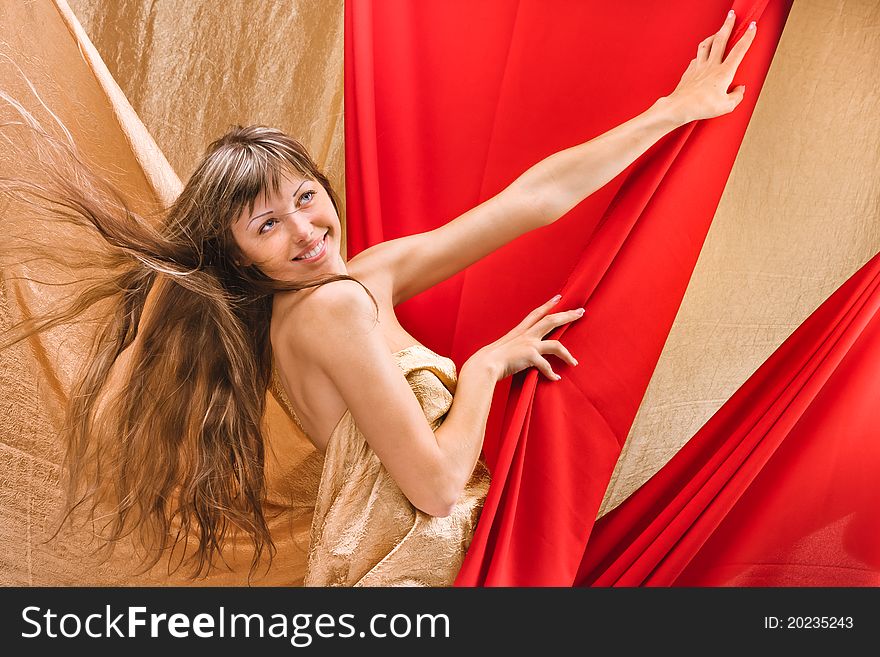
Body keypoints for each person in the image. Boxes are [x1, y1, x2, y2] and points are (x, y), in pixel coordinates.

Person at [0, 12, 755, 585]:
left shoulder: (360, 278)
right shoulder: (329, 312)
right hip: (412, 580)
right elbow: (433, 486)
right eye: (268, 223)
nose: (304, 228)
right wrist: (488, 368)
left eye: (304, 196)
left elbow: (530, 200)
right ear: (236, 254)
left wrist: (674, 111)